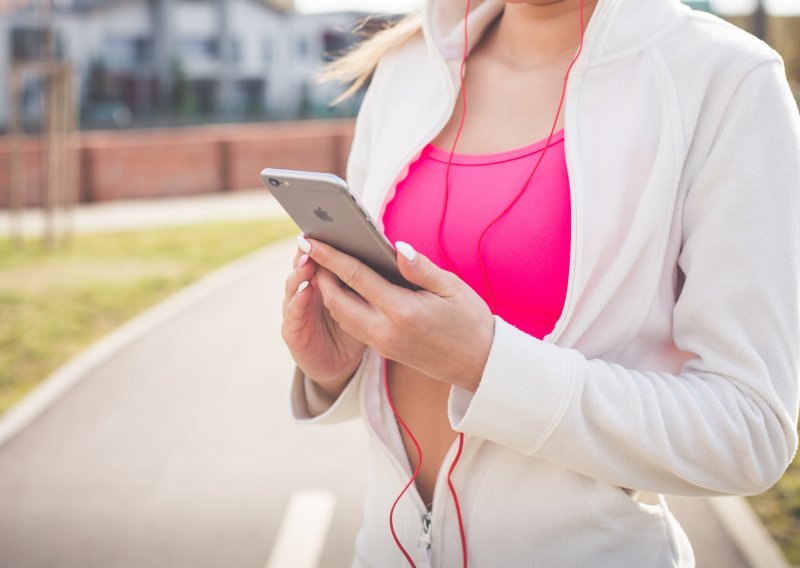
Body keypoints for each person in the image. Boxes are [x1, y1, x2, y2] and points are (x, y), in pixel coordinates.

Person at [281, 0, 800, 566]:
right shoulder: (410, 66)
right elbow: (402, 355)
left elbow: (749, 432)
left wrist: (487, 364)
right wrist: (336, 371)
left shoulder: (724, 78)